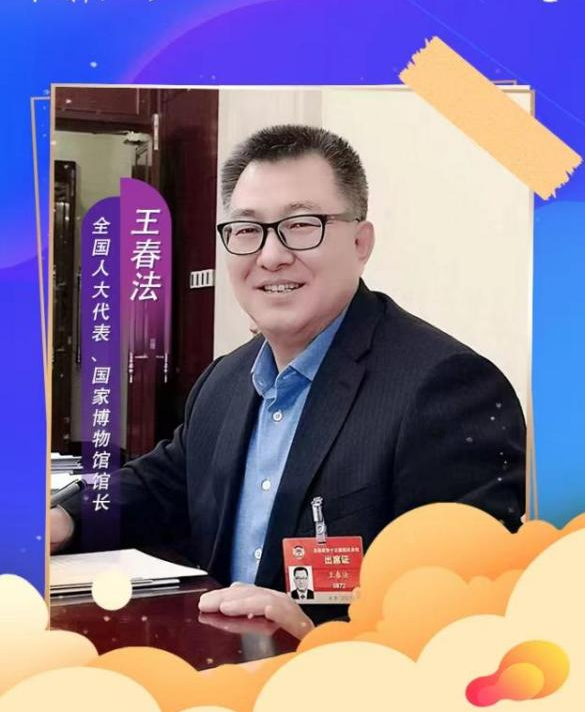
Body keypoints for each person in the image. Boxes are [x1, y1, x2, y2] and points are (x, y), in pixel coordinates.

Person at [51, 124, 526, 639]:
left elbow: (465, 616)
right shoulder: (225, 379)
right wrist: (65, 517)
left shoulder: (447, 388)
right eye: (247, 229)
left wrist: (314, 637)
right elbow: (163, 482)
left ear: (361, 242)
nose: (271, 255)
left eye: (301, 225)